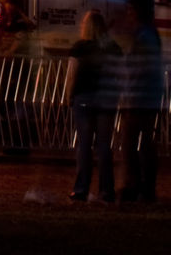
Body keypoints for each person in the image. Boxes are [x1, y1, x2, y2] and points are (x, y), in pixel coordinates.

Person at [66, 10, 122, 203]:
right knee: (104, 146)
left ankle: (81, 189)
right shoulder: (113, 48)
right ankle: (107, 191)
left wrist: (69, 95)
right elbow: (120, 74)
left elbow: (72, 75)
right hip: (107, 99)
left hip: (84, 98)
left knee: (84, 145)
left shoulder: (79, 48)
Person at [118, 0, 162, 203]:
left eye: (131, 12)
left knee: (130, 145)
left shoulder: (143, 37)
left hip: (138, 99)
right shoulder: (150, 34)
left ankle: (135, 185)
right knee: (144, 145)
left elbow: (139, 69)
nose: (129, 16)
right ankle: (144, 186)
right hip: (147, 98)